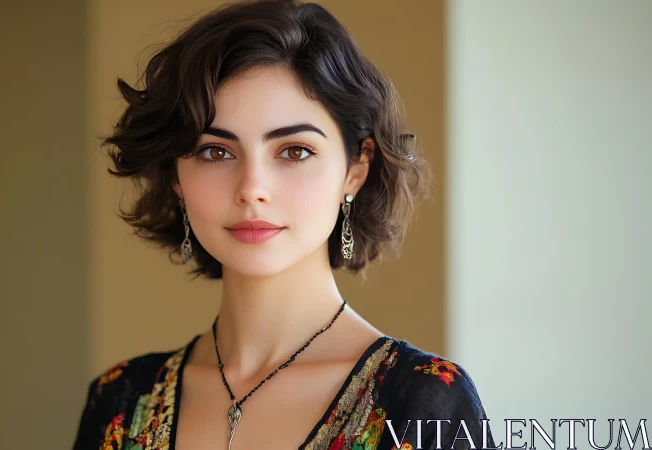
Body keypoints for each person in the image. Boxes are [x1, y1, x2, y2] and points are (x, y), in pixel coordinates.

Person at [73, 1, 496, 449]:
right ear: (176, 176)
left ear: (356, 168)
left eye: (294, 151)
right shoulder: (117, 400)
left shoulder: (421, 402)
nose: (252, 188)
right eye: (215, 152)